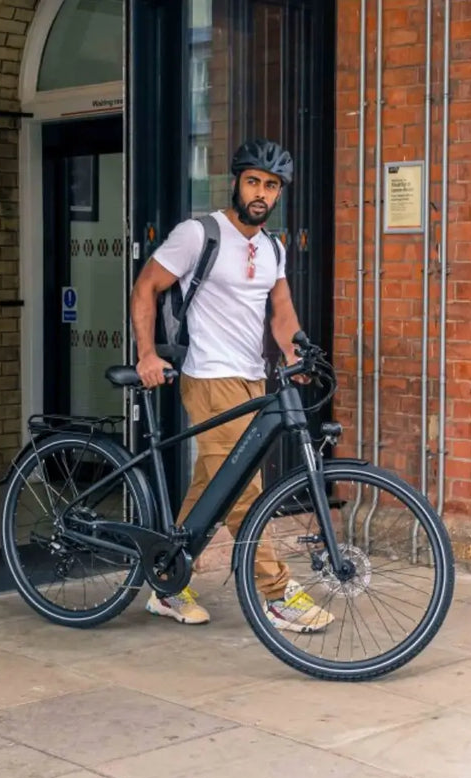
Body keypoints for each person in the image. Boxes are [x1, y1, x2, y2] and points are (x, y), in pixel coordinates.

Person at [130, 138, 334, 632]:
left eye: (271, 185)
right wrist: (146, 354)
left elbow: (280, 311)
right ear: (237, 182)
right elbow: (146, 287)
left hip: (251, 378)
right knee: (243, 487)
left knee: (213, 486)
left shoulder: (272, 247)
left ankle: (166, 580)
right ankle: (277, 592)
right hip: (208, 374)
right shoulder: (199, 234)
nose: (261, 193)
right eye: (253, 182)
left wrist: (294, 351)